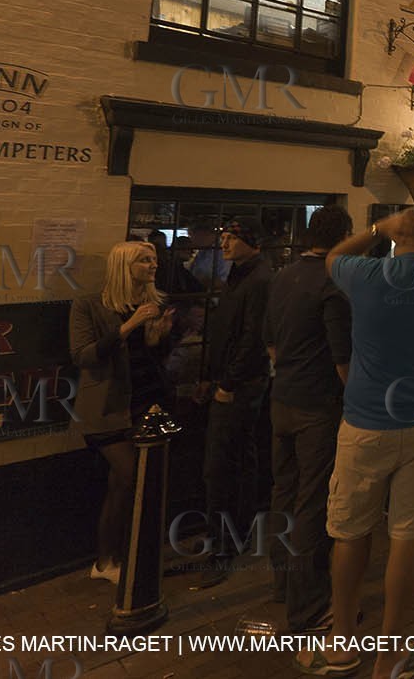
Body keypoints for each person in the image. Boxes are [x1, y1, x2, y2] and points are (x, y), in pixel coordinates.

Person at [297, 207, 414, 679]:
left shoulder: (365, 272)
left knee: (350, 531)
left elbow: (332, 258)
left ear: (398, 233)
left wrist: (376, 230)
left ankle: (342, 642)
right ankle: (390, 656)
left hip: (367, 421)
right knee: (409, 534)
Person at [264, 205, 352, 635]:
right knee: (312, 504)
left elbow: (272, 348)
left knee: (283, 494)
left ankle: (282, 583)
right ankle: (310, 609)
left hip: (281, 399)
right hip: (317, 407)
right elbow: (342, 364)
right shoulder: (334, 284)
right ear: (345, 238)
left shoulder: (282, 276)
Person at [69, 241, 174, 584]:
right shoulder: (89, 305)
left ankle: (115, 557)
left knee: (129, 484)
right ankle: (106, 559)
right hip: (107, 409)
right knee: (127, 475)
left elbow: (148, 359)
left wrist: (158, 340)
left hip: (145, 403)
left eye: (154, 259)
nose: (152, 265)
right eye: (144, 260)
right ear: (123, 267)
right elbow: (84, 356)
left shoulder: (150, 303)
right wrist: (128, 327)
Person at [193, 216, 273, 590]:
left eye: (231, 238)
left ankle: (222, 549)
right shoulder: (240, 275)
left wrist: (228, 383)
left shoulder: (258, 280)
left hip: (240, 387)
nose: (223, 244)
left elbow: (252, 339)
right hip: (229, 382)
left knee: (221, 466)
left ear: (251, 242)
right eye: (222, 236)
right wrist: (210, 376)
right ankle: (233, 536)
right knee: (239, 460)